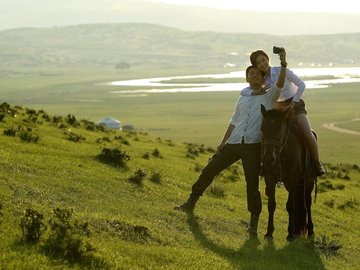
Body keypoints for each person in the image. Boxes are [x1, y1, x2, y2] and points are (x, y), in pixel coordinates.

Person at [174, 50, 288, 236]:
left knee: (252, 185)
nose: (254, 76)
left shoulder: (268, 96)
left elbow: (280, 85)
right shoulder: (243, 97)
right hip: (234, 143)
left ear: (262, 77)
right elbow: (234, 121)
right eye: (250, 74)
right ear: (246, 79)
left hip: (252, 146)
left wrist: (283, 64)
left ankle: (253, 223)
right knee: (210, 169)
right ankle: (190, 202)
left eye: (257, 74)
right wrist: (222, 142)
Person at [242, 49, 325, 177]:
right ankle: (266, 167)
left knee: (307, 133)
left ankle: (316, 164)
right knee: (266, 134)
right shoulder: (262, 80)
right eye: (258, 63)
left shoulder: (282, 70)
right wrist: (253, 93)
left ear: (267, 59)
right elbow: (247, 90)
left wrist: (293, 103)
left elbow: (301, 85)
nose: (262, 64)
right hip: (277, 109)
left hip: (295, 105)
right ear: (256, 65)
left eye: (263, 60)